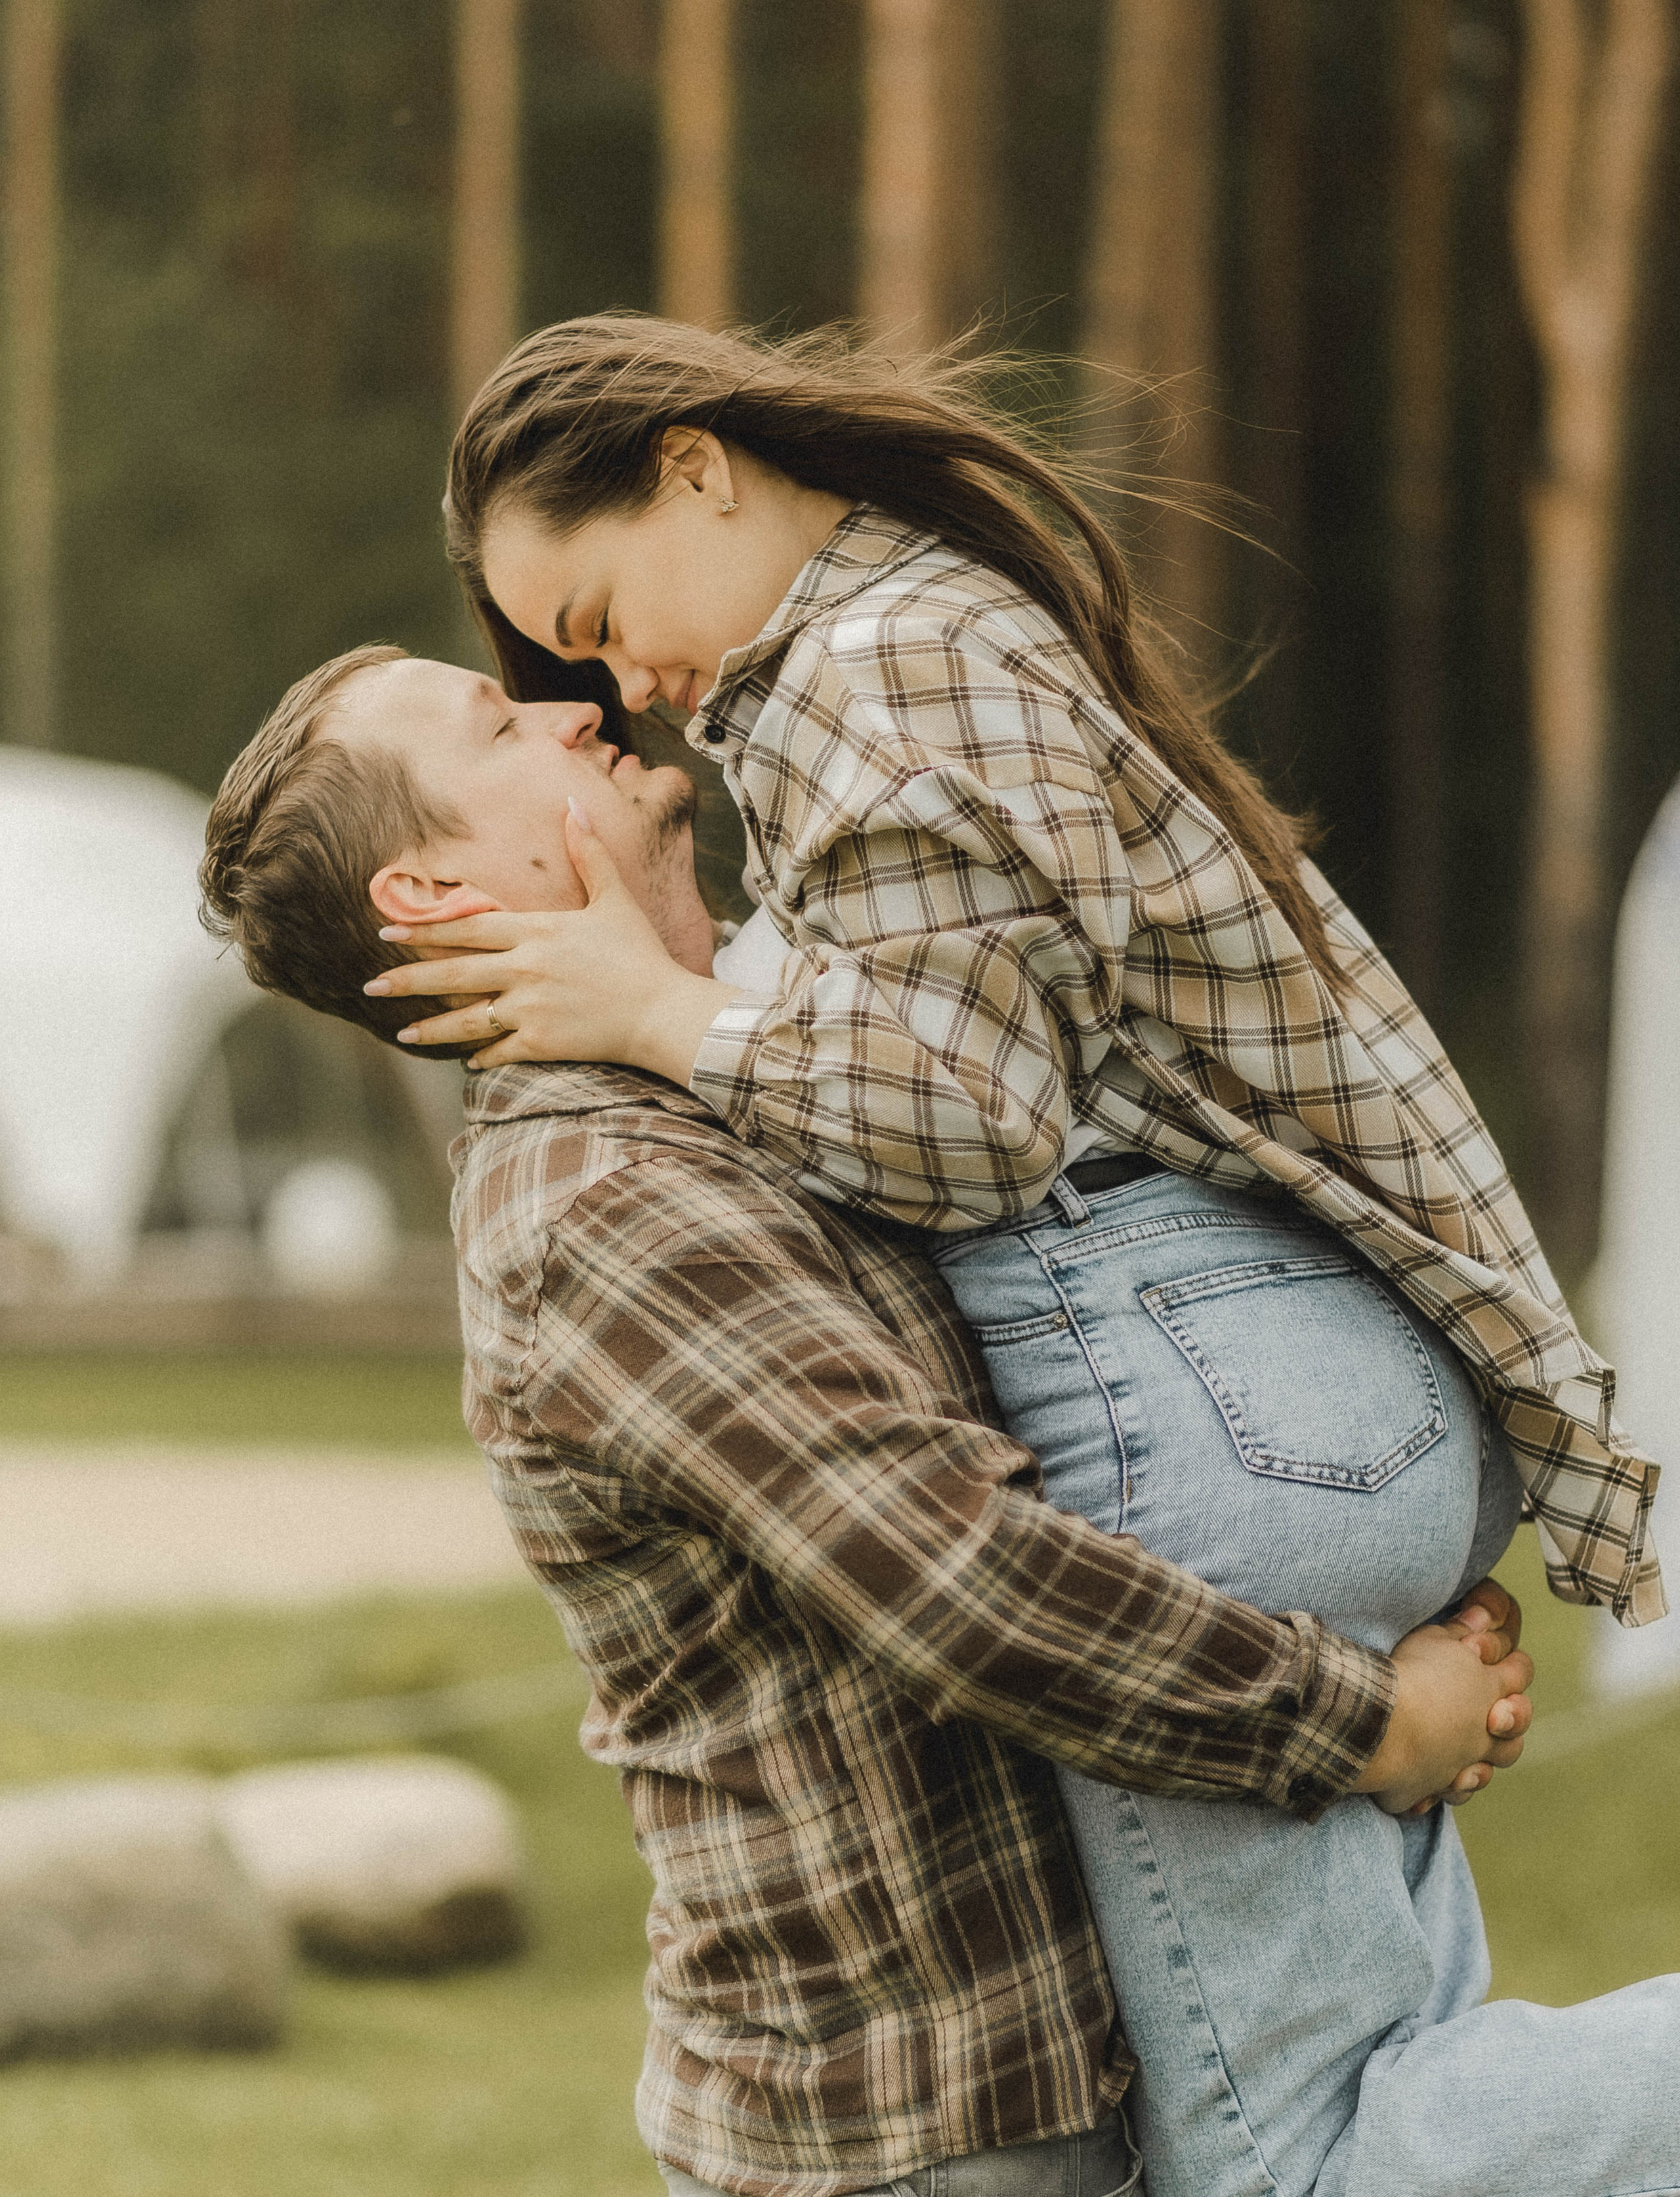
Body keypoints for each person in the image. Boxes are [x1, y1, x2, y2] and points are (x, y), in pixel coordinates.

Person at [366, 316, 1676, 2197]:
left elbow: (973, 1129)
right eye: (552, 677)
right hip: (1276, 1359)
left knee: (1304, 2165)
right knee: (1426, 2084)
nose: (622, 685)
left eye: (591, 613)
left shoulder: (866, 679)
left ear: (697, 466)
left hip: (1184, 1397)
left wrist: (668, 1017)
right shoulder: (931, 626)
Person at [200, 644, 1538, 2197]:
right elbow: (964, 1582)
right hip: (925, 2134)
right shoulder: (608, 1207)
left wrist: (1366, 1554)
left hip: (1052, 2077)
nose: (578, 703)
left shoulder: (752, 1070)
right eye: (502, 725)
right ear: (434, 894)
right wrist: (1366, 1721)